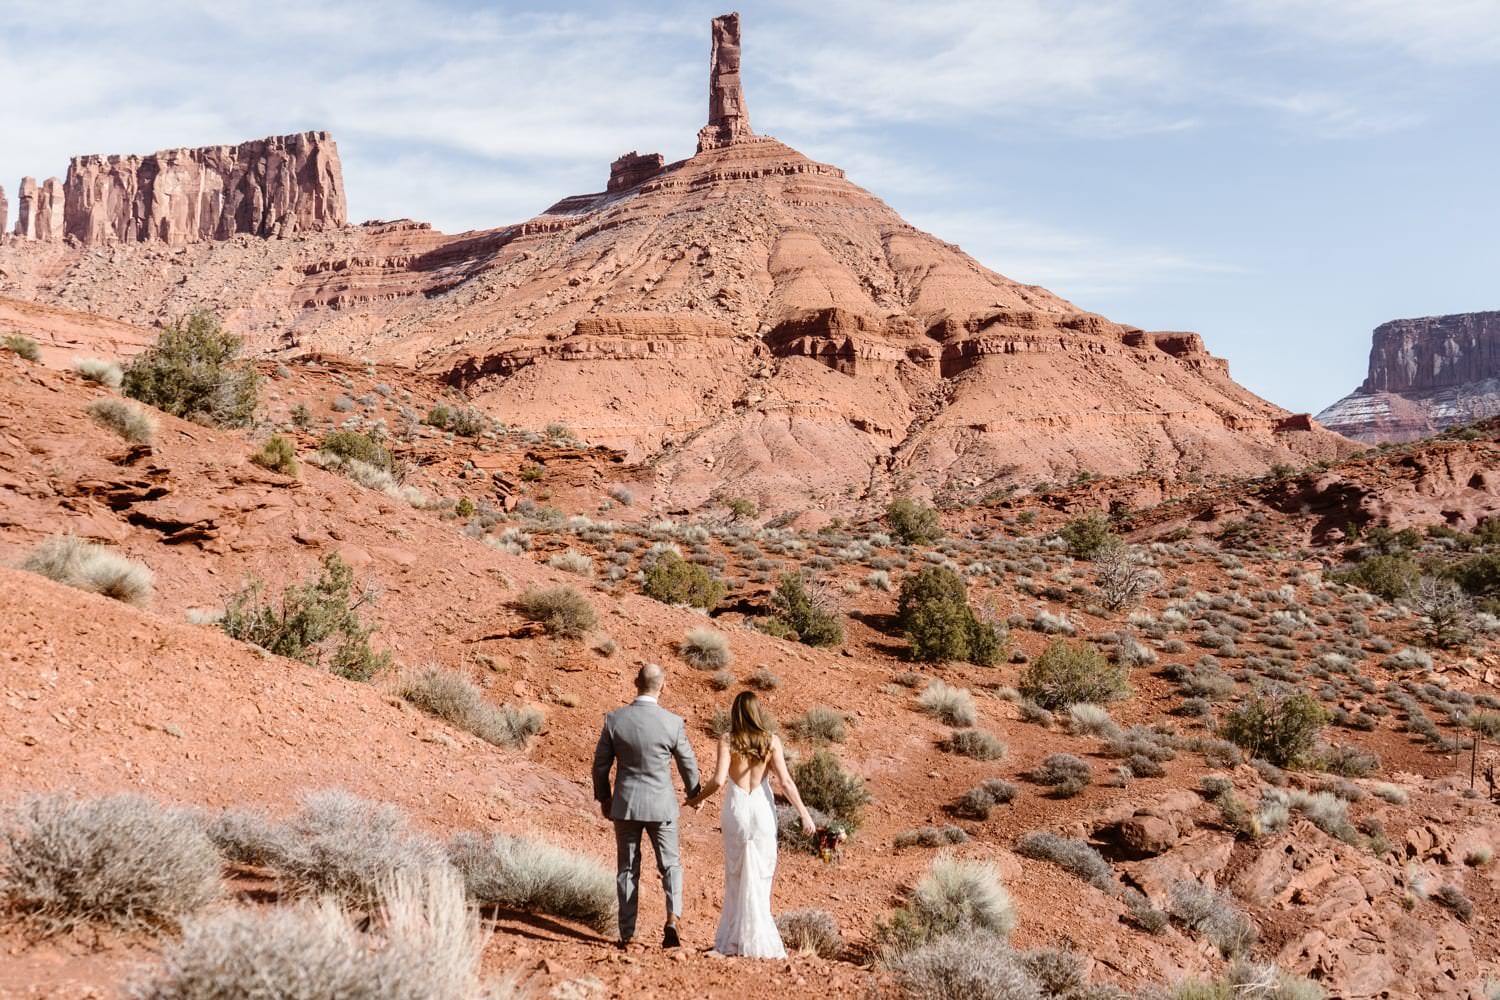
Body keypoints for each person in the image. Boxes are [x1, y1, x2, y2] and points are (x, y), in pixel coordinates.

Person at [685, 690, 817, 958]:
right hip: (761, 811)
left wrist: (697, 799)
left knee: (735, 875)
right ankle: (758, 941)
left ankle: (732, 942)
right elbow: (786, 782)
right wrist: (804, 813)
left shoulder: (727, 740)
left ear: (735, 712)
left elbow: (719, 780)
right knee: (762, 874)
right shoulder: (771, 741)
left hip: (737, 811)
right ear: (758, 712)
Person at [592, 663, 702, 950]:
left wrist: (605, 798)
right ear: (662, 686)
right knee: (671, 865)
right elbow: (687, 762)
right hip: (662, 807)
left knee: (627, 868)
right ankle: (672, 920)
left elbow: (601, 766)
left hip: (625, 806)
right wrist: (695, 794)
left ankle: (627, 934)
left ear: (634, 682)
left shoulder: (615, 720)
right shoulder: (672, 722)